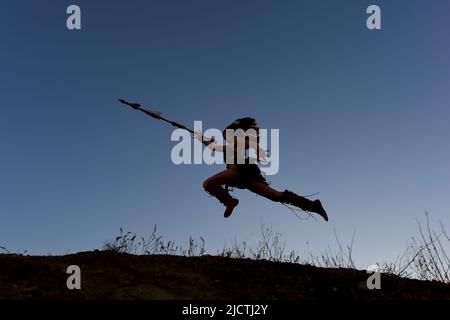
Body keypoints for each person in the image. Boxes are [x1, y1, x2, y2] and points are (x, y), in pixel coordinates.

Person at [194, 117, 328, 221]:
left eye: (226, 135)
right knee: (276, 196)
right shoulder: (229, 146)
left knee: (208, 183)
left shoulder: (237, 141)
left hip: (240, 170)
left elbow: (251, 144)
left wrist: (258, 151)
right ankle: (313, 206)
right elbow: (212, 147)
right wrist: (200, 138)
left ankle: (229, 201)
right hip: (246, 176)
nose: (225, 137)